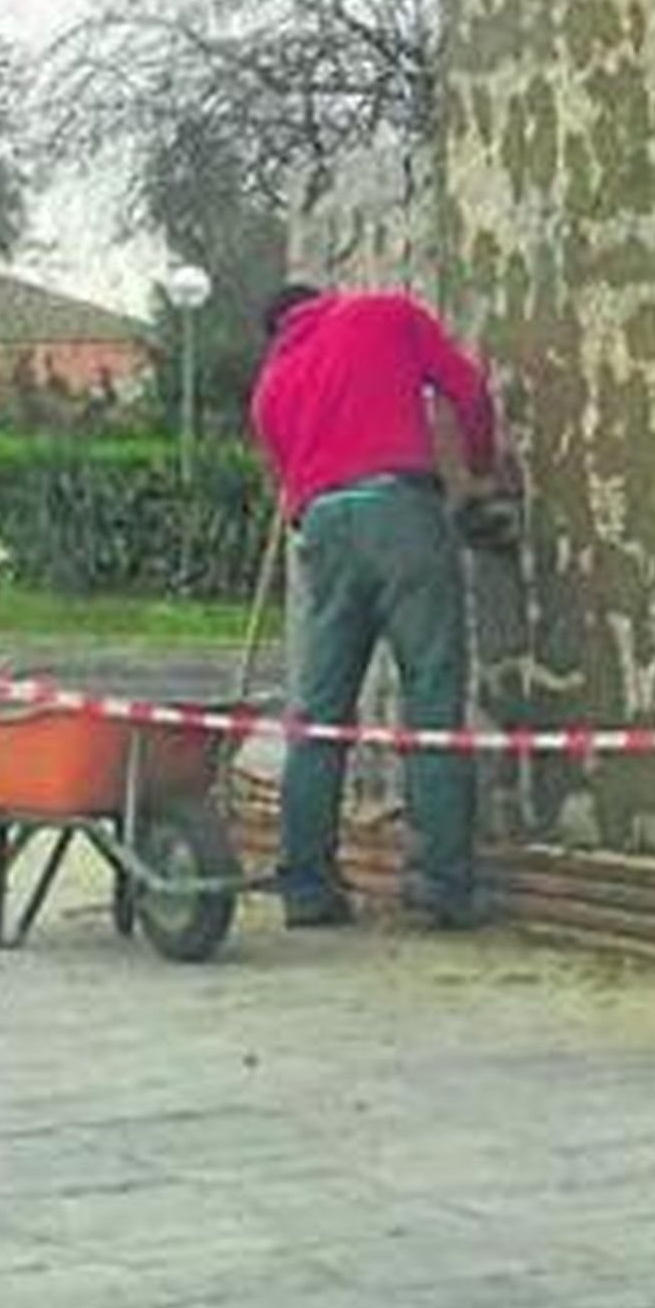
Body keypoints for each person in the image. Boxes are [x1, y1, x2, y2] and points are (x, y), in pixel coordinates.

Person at [251, 281, 502, 930]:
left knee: (319, 717)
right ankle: (441, 882)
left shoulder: (270, 387)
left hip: (324, 529)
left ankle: (307, 886)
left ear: (278, 330)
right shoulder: (383, 312)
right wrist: (479, 474)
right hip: (401, 512)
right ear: (323, 299)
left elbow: (289, 487)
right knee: (432, 696)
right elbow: (467, 389)